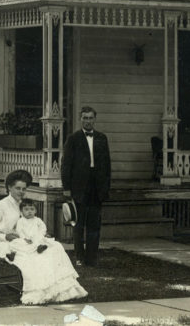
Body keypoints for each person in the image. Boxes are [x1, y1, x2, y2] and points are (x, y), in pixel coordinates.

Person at [0, 170, 87, 305]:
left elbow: (32, 223)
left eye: (24, 189)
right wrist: (5, 236)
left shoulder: (25, 204)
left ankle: (60, 290)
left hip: (27, 241)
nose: (21, 192)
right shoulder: (0, 206)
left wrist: (39, 234)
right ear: (9, 188)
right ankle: (37, 292)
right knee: (33, 257)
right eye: (18, 188)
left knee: (55, 248)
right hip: (5, 243)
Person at [61, 105, 111, 267]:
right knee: (78, 223)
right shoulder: (73, 139)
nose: (88, 121)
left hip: (97, 187)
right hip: (79, 187)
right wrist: (67, 188)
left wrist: (105, 187)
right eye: (85, 118)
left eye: (90, 118)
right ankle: (79, 257)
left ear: (95, 119)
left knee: (94, 224)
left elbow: (107, 165)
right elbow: (66, 165)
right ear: (80, 119)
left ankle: (92, 257)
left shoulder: (102, 138)